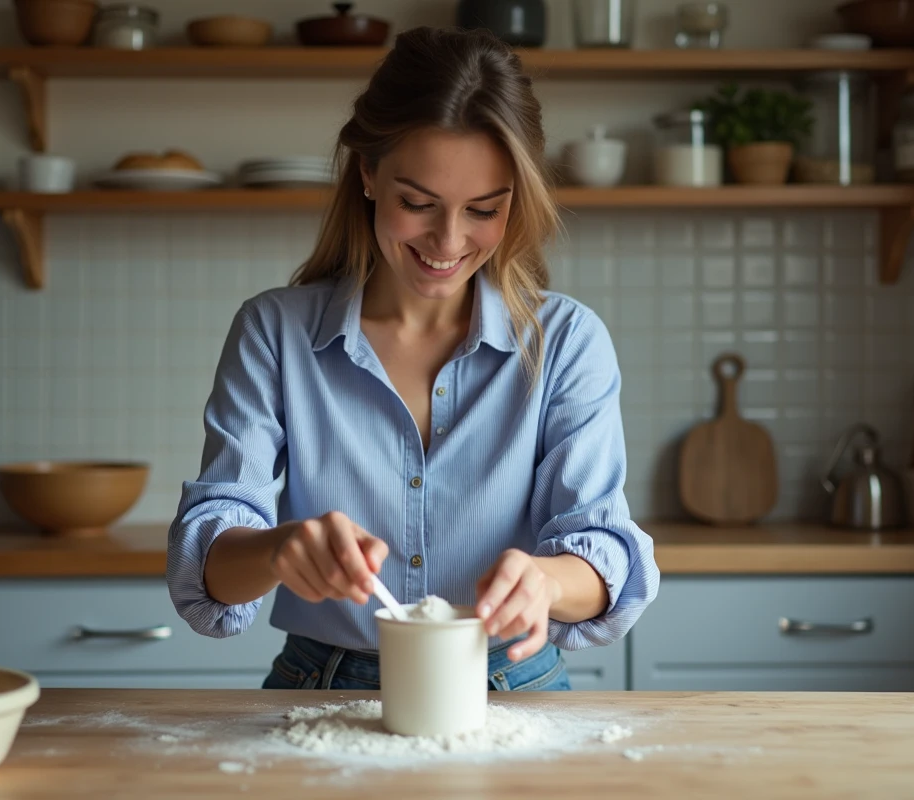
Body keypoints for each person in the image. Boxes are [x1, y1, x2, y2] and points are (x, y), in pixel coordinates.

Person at [166, 25, 659, 692]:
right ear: (367, 172)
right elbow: (208, 566)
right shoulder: (273, 332)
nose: (448, 241)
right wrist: (279, 550)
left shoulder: (566, 342)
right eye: (417, 204)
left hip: (513, 686)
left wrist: (545, 582)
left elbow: (603, 557)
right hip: (326, 683)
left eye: (483, 209)